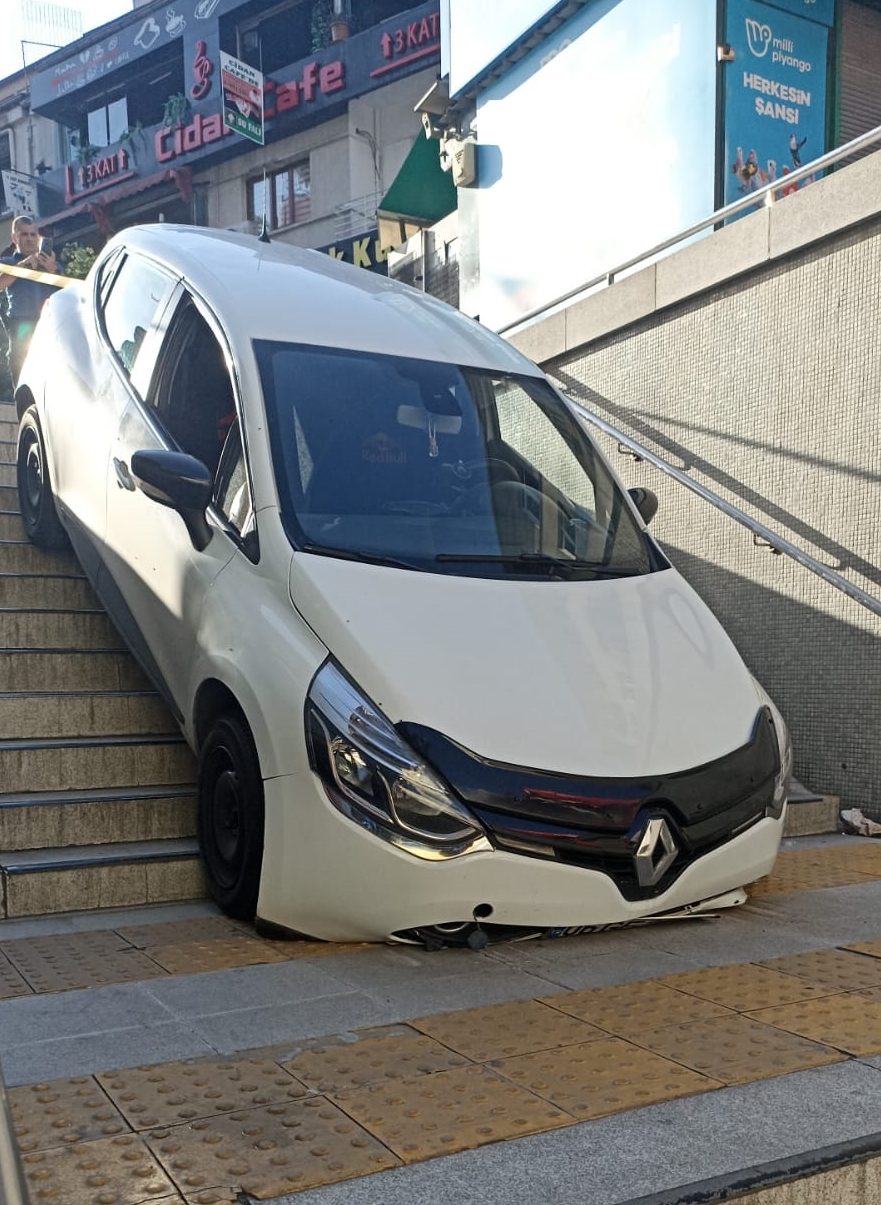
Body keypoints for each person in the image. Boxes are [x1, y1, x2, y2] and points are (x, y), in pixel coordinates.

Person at [0, 215, 59, 386]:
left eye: (33, 234)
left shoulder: (51, 263)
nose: (30, 239)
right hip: (21, 326)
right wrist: (24, 265)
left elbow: (68, 293)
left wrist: (53, 269)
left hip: (50, 324)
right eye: (24, 234)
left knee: (52, 380)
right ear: (14, 238)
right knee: (23, 382)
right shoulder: (7, 263)